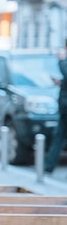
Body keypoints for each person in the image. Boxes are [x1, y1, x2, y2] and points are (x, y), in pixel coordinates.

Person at [44, 42, 67, 175]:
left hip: (65, 106)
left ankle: (48, 166)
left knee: (58, 137)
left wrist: (62, 61)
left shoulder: (64, 62)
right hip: (64, 107)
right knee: (58, 136)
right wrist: (62, 82)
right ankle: (48, 166)